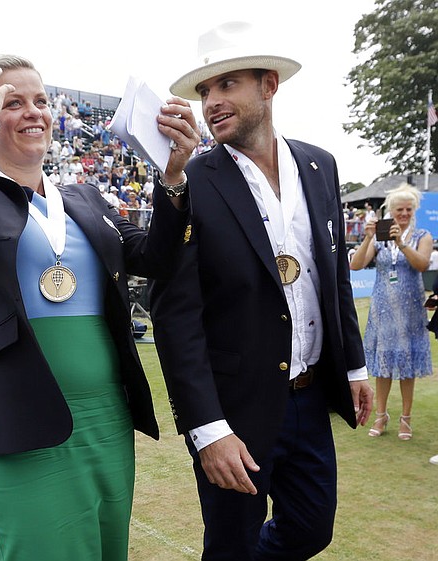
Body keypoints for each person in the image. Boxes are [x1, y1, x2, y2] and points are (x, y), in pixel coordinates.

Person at [0, 52, 191, 560]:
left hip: (106, 417)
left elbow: (154, 257)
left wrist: (173, 178)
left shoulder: (85, 199)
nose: (32, 112)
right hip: (25, 418)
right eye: (12, 102)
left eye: (40, 100)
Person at [148, 22, 374, 561]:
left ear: (268, 85)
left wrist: (356, 366)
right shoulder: (191, 181)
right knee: (230, 547)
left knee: (311, 531)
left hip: (311, 395)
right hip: (234, 411)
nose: (212, 103)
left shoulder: (321, 165)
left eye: (226, 85)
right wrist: (206, 429)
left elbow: (333, 274)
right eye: (205, 92)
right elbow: (175, 316)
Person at [349, 183, 432, 441]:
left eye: (408, 209)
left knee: (407, 367)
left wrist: (401, 243)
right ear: (390, 211)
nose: (403, 214)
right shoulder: (380, 238)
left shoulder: (422, 236)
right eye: (399, 210)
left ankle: (405, 418)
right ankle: (381, 415)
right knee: (382, 366)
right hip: (383, 309)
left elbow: (422, 265)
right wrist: (367, 237)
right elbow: (355, 265)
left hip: (410, 312)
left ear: (414, 210)